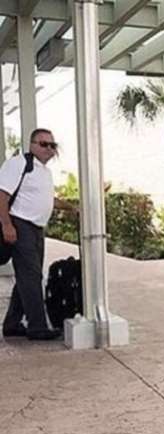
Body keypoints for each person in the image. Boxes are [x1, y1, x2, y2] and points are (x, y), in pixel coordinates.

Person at [1, 128, 75, 341]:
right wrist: (7, 225)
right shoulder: (19, 163)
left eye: (53, 145)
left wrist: (72, 208)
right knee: (32, 276)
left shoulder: (45, 172)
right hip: (20, 224)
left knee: (27, 277)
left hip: (36, 228)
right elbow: (2, 195)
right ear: (32, 145)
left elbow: (48, 199)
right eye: (43, 144)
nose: (49, 149)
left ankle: (12, 324)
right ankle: (37, 327)